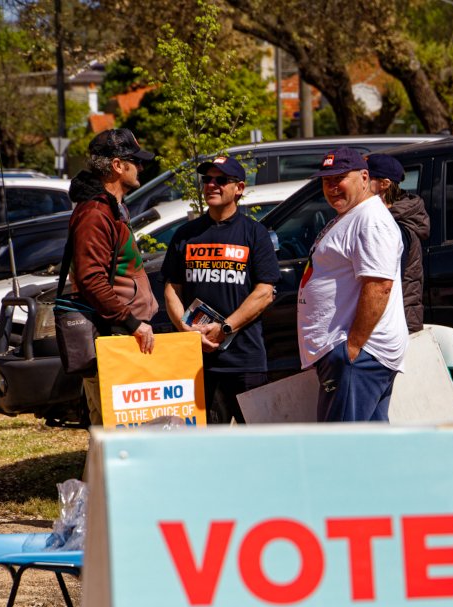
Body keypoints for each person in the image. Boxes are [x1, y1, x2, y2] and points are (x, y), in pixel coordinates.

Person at [161, 156, 281, 425]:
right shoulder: (185, 234)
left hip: (245, 359)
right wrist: (186, 330)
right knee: (207, 444)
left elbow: (264, 292)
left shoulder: (255, 233)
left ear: (238, 188)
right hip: (197, 361)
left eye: (221, 180)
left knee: (258, 443)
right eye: (207, 180)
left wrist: (224, 328)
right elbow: (172, 288)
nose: (212, 185)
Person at [297, 147, 408, 422]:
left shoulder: (370, 219)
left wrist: (352, 349)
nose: (332, 187)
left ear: (363, 177)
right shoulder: (354, 214)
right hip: (355, 355)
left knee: (341, 449)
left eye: (340, 178)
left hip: (359, 355)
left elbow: (380, 285)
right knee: (368, 447)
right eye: (326, 180)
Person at [67, 128, 159, 426]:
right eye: (136, 160)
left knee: (118, 424)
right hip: (112, 334)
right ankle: (101, 475)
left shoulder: (112, 206)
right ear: (118, 166)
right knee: (110, 424)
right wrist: (131, 323)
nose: (141, 167)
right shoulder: (95, 212)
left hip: (121, 333)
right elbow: (90, 278)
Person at [366, 153, 429, 333]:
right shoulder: (385, 219)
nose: (360, 184)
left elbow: (383, 286)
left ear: (384, 184)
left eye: (366, 178)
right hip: (394, 321)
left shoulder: (394, 228)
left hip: (394, 325)